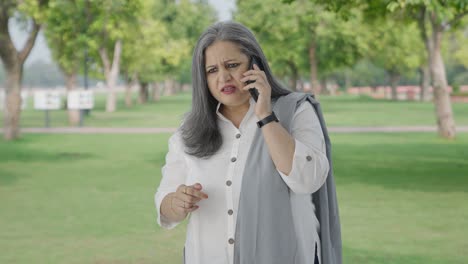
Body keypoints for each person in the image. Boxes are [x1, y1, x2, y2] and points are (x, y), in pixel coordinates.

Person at [154, 21, 341, 264]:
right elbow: (165, 203)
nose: (223, 77)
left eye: (232, 65)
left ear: (255, 65)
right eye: (212, 70)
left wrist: (266, 116)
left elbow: (308, 180)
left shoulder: (296, 111)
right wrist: (177, 202)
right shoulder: (188, 131)